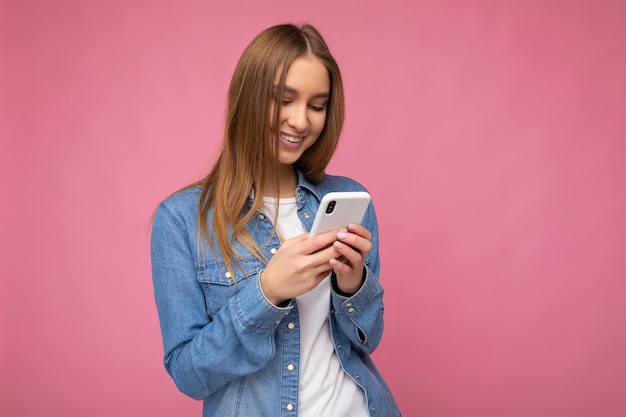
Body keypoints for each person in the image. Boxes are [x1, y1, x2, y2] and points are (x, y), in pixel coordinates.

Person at [150, 23, 401, 417]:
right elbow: (189, 374)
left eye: (316, 106)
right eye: (285, 100)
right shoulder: (181, 221)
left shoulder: (348, 199)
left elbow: (368, 341)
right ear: (247, 98)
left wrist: (354, 287)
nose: (301, 121)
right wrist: (267, 293)